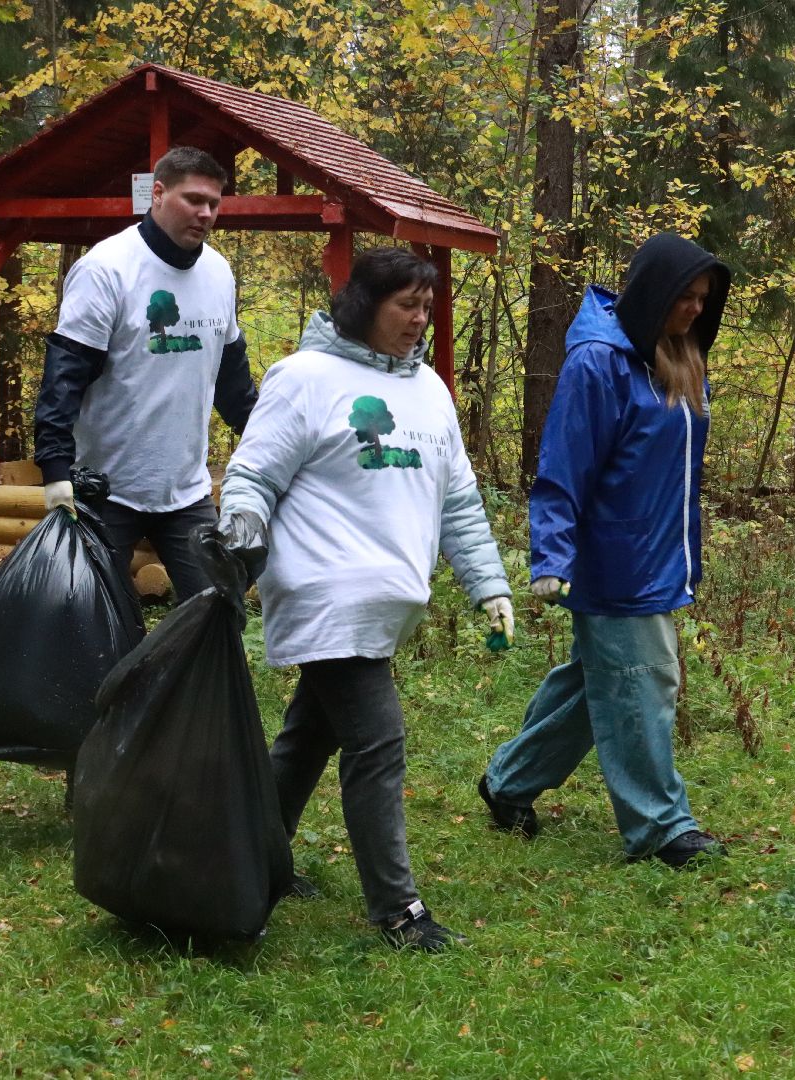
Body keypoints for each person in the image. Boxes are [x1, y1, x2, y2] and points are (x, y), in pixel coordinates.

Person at [215, 246, 515, 952]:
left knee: (308, 736)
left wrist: (489, 585)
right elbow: (253, 475)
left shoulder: (430, 391)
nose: (418, 320)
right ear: (364, 304)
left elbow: (459, 502)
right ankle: (397, 910)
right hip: (326, 589)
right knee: (377, 742)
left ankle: (255, 859)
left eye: (426, 308)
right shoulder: (306, 378)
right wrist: (240, 536)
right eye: (404, 305)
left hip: (387, 602)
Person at [477, 232, 731, 869]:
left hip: (659, 558)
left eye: (704, 299)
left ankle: (507, 783)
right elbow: (564, 468)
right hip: (614, 563)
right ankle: (660, 825)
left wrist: (687, 555)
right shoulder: (598, 364)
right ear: (654, 294)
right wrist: (551, 559)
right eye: (685, 297)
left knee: (598, 685)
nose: (696, 309)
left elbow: (674, 476)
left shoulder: (676, 358)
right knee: (645, 682)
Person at [33, 145, 257, 602]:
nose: (206, 213)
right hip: (104, 491)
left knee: (219, 615)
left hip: (186, 490)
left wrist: (273, 446)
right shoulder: (107, 269)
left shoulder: (219, 273)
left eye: (214, 203)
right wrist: (55, 470)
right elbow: (65, 374)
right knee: (95, 625)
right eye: (192, 199)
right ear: (157, 193)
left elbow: (233, 384)